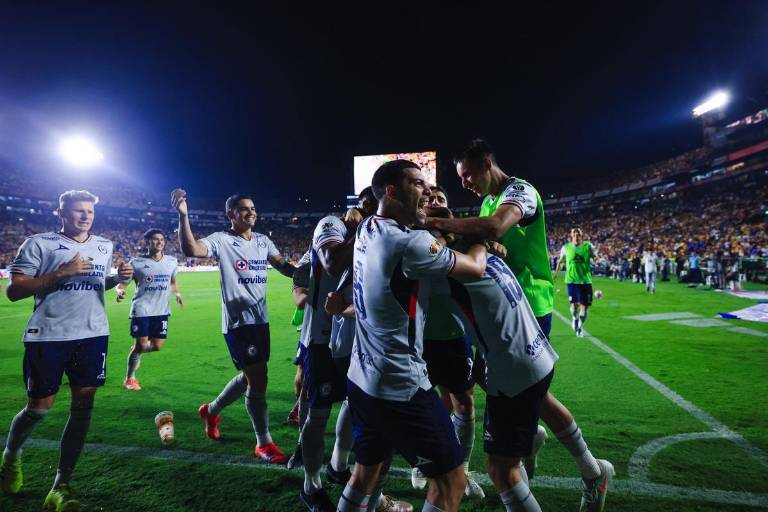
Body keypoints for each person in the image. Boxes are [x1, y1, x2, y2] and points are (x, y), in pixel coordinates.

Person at [424, 140, 613, 511]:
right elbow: (486, 233)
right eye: (460, 178)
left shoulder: (519, 191)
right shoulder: (487, 202)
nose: (465, 183)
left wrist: (433, 222)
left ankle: (573, 467)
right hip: (497, 310)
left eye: (468, 175)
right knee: (516, 388)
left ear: (487, 163)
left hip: (528, 305)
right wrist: (482, 241)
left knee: (525, 390)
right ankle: (572, 462)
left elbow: (495, 227)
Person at [337, 160, 487, 512]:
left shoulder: (369, 227)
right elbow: (475, 267)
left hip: (361, 379)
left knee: (365, 474)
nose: (427, 191)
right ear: (391, 191)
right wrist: (480, 237)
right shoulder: (411, 243)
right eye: (418, 183)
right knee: (451, 482)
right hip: (400, 385)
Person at [0, 190, 132, 512]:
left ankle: (61, 485)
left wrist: (117, 278)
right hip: (48, 336)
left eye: (90, 211)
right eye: (78, 210)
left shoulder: (104, 245)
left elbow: (97, 283)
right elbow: (14, 290)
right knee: (39, 409)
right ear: (61, 213)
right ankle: (11, 457)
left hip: (93, 334)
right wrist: (61, 273)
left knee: (83, 407)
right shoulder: (38, 244)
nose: (85, 216)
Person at [171, 189, 295, 464]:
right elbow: (192, 250)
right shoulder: (222, 240)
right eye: (245, 209)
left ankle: (211, 411)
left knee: (251, 376)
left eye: (253, 208)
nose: (252, 212)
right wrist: (183, 217)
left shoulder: (263, 241)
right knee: (259, 379)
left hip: (261, 320)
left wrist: (311, 273)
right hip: (238, 323)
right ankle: (263, 443)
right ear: (231, 214)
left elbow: (284, 267)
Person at [411, 185, 485, 499]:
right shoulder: (411, 237)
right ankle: (425, 464)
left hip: (456, 336)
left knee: (463, 402)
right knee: (427, 406)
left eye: (441, 199)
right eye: (429, 198)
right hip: (418, 339)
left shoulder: (462, 242)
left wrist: (489, 243)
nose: (435, 202)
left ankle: (461, 470)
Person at [116, 229, 184, 390]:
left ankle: (137, 350)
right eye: (155, 239)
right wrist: (119, 292)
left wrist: (177, 294)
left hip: (162, 310)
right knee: (141, 345)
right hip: (141, 309)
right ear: (147, 242)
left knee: (157, 346)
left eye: (162, 239)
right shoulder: (136, 263)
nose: (159, 242)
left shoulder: (172, 261)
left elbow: (172, 281)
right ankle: (130, 379)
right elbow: (121, 284)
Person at [554, 228, 597, 336]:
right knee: (574, 307)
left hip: (586, 281)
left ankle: (580, 327)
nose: (576, 236)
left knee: (584, 308)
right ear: (571, 235)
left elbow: (595, 257)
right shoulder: (566, 248)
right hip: (572, 280)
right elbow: (561, 262)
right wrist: (556, 273)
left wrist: (597, 260)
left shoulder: (588, 246)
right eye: (574, 234)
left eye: (578, 234)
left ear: (581, 235)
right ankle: (574, 318)